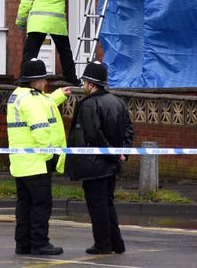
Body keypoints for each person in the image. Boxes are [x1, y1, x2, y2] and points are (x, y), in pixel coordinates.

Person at [65, 61, 134, 254]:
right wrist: (123, 153)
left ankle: (103, 244)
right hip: (111, 165)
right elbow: (129, 129)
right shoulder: (118, 102)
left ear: (91, 84)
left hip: (94, 165)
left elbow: (95, 136)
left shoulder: (89, 105)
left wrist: (113, 155)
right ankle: (116, 243)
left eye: (85, 81)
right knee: (107, 203)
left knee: (98, 206)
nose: (84, 85)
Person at [6, 58, 71, 256]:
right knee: (41, 205)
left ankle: (23, 244)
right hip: (37, 163)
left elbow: (45, 103)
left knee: (24, 204)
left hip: (21, 163)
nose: (45, 83)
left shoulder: (19, 95)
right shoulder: (32, 100)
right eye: (43, 80)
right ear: (35, 83)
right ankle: (40, 243)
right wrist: (49, 155)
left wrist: (60, 95)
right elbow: (40, 130)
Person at [16, 0, 105, 86]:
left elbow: (25, 3)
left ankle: (23, 79)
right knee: (64, 52)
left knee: (30, 52)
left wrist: (21, 21)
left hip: (37, 22)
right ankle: (72, 79)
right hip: (56, 22)